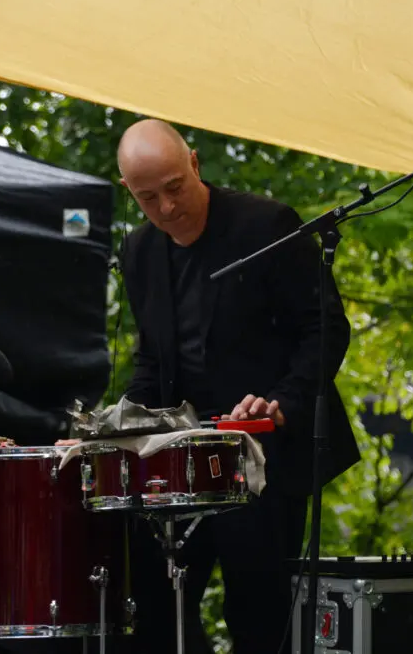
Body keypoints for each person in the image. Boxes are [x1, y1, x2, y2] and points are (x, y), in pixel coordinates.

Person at [114, 119, 360, 654]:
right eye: (147, 198)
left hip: (265, 454)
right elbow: (153, 361)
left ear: (195, 163)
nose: (168, 208)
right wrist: (117, 427)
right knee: (154, 610)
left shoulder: (267, 224)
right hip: (182, 458)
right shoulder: (138, 252)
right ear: (129, 194)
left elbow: (326, 326)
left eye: (175, 187)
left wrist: (283, 401)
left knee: (257, 613)